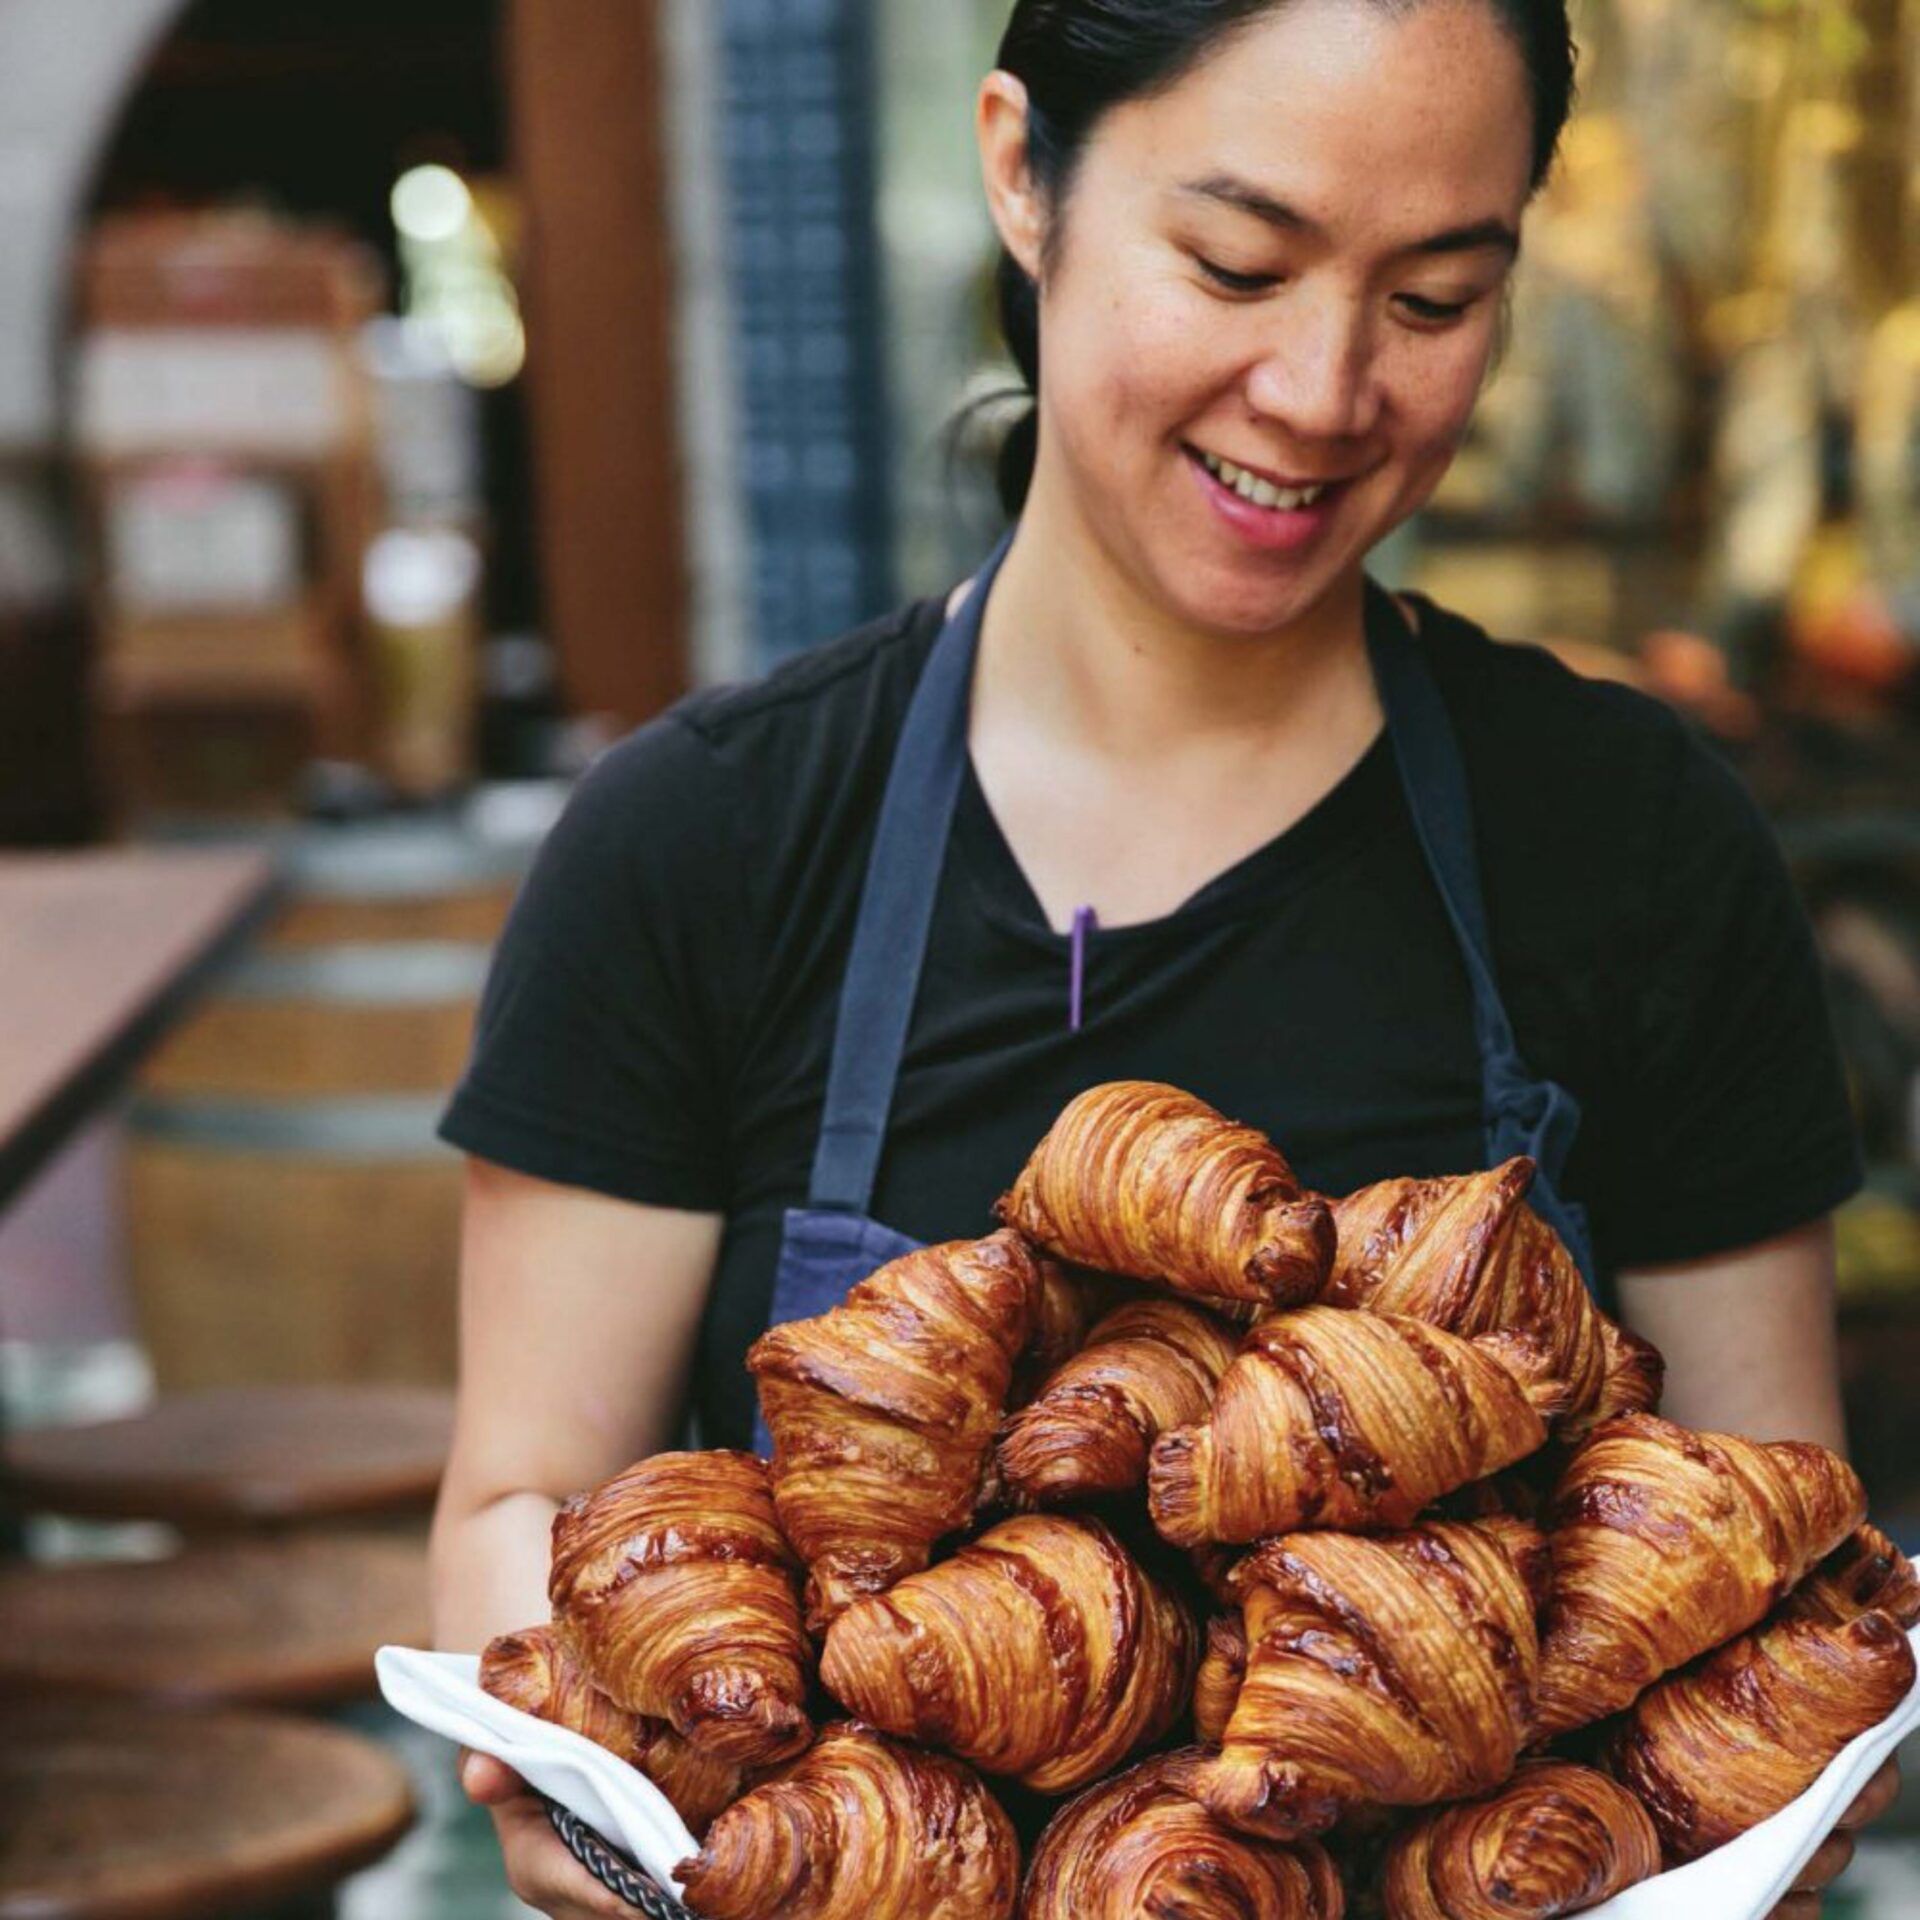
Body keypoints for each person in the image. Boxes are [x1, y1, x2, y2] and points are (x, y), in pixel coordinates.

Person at [429, 1, 1900, 1912]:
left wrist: (1779, 1802)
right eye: (1237, 263)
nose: (1321, 386)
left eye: (1438, 298)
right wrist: (575, 1772)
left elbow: (1777, 1580)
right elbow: (517, 1506)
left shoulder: (1633, 843)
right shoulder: (701, 847)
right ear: (1022, 170)